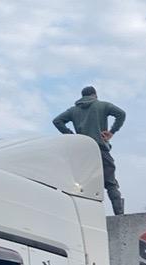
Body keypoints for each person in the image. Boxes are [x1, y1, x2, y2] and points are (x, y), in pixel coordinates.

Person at [53, 85, 126, 215]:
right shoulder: (102, 105)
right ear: (95, 95)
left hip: (83, 152)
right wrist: (111, 132)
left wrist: (72, 135)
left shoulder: (73, 110)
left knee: (82, 185)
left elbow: (57, 121)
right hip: (100, 149)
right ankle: (119, 215)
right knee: (111, 183)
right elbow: (121, 114)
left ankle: (81, 216)